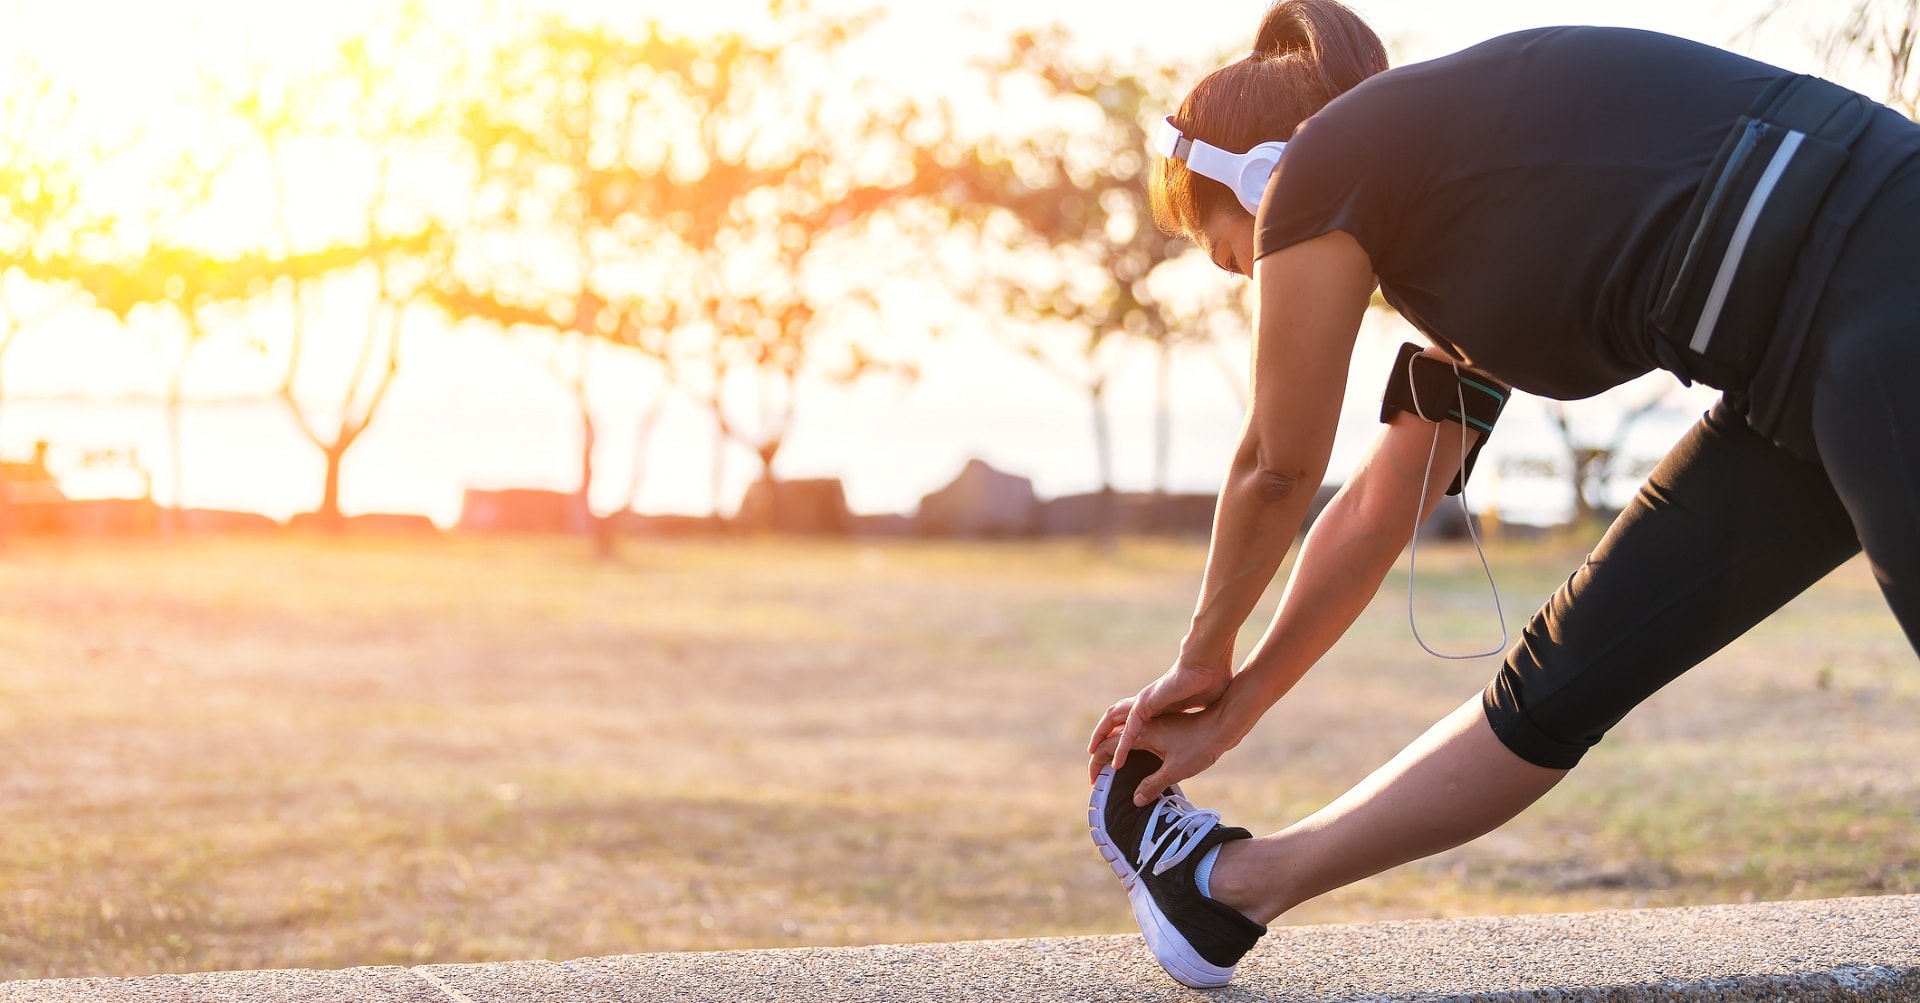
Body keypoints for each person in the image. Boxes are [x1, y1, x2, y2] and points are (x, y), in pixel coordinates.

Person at [1081, 0, 1920, 989]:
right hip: (1793, 377)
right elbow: (1377, 502)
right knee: (1565, 676)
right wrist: (1240, 702)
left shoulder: (1326, 162)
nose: (1241, 276)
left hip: (1887, 285)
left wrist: (1199, 656)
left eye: (1224, 246)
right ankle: (1227, 892)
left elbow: (1278, 465)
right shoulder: (1453, 242)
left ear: (1262, 177)